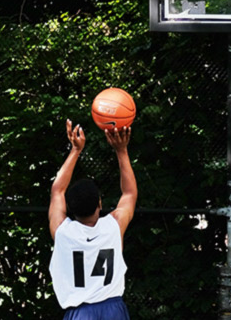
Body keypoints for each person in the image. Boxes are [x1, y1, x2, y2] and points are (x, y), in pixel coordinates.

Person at [48, 119, 137, 319]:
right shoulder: (114, 226)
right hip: (113, 309)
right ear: (100, 204)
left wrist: (76, 150)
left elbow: (57, 191)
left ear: (69, 208)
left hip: (80, 312)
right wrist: (121, 150)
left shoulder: (62, 231)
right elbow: (130, 193)